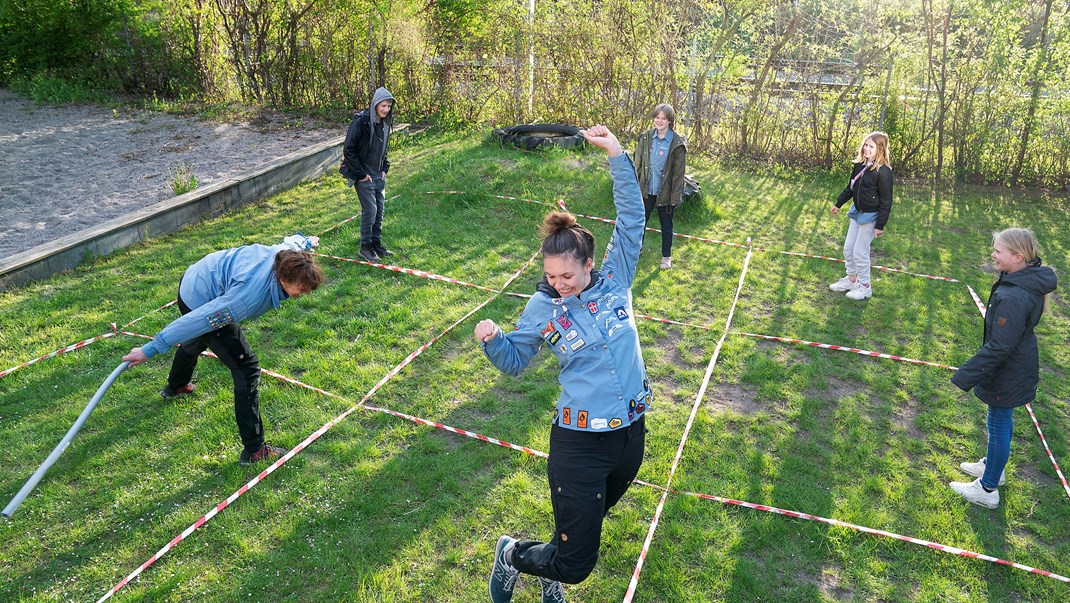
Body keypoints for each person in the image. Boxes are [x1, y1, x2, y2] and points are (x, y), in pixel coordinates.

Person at [475, 125, 650, 603]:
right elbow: (515, 360)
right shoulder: (542, 309)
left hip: (631, 433)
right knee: (577, 565)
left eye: (567, 275)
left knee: (585, 526)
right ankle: (512, 555)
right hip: (578, 443)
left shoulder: (616, 279)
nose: (559, 284)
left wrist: (616, 153)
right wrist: (492, 339)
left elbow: (632, 219)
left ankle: (547, 561)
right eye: (550, 276)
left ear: (590, 265)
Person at [121, 234, 325, 466]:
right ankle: (254, 450)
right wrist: (151, 348)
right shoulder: (244, 299)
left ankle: (177, 385)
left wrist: (306, 241)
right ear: (282, 279)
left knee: (200, 339)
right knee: (246, 367)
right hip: (199, 298)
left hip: (198, 276)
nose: (305, 293)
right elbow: (199, 320)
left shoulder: (286, 256)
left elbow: (292, 243)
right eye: (301, 288)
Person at [949, 228, 1057, 508]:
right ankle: (994, 469)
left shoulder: (1015, 296)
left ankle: (987, 489)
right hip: (1015, 365)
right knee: (1000, 421)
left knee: (997, 424)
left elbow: (1000, 347)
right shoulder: (1022, 280)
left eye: (998, 251)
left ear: (1018, 257)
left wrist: (966, 374)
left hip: (1009, 369)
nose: (993, 255)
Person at [828, 132, 893, 300]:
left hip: (871, 216)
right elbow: (850, 187)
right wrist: (838, 203)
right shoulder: (859, 165)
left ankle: (865, 287)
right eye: (866, 145)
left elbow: (886, 201)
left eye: (871, 146)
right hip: (857, 212)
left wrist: (880, 225)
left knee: (860, 252)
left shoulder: (883, 172)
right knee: (848, 248)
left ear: (881, 149)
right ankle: (851, 280)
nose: (867, 148)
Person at [340, 87, 396, 263]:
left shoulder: (386, 122)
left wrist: (384, 168)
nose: (386, 109)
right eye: (383, 105)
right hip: (365, 176)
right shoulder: (361, 122)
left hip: (379, 176)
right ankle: (365, 248)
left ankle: (376, 244)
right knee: (370, 211)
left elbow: (383, 149)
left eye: (388, 106)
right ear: (375, 104)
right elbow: (348, 150)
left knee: (379, 211)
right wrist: (361, 174)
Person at [634, 103, 687, 270]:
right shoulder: (646, 137)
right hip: (646, 189)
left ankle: (666, 256)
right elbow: (638, 164)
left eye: (663, 118)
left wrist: (675, 197)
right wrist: (635, 186)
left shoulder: (677, 144)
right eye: (657, 117)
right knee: (640, 221)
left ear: (670, 121)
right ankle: (637, 250)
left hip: (665, 192)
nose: (659, 121)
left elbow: (679, 174)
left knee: (666, 225)